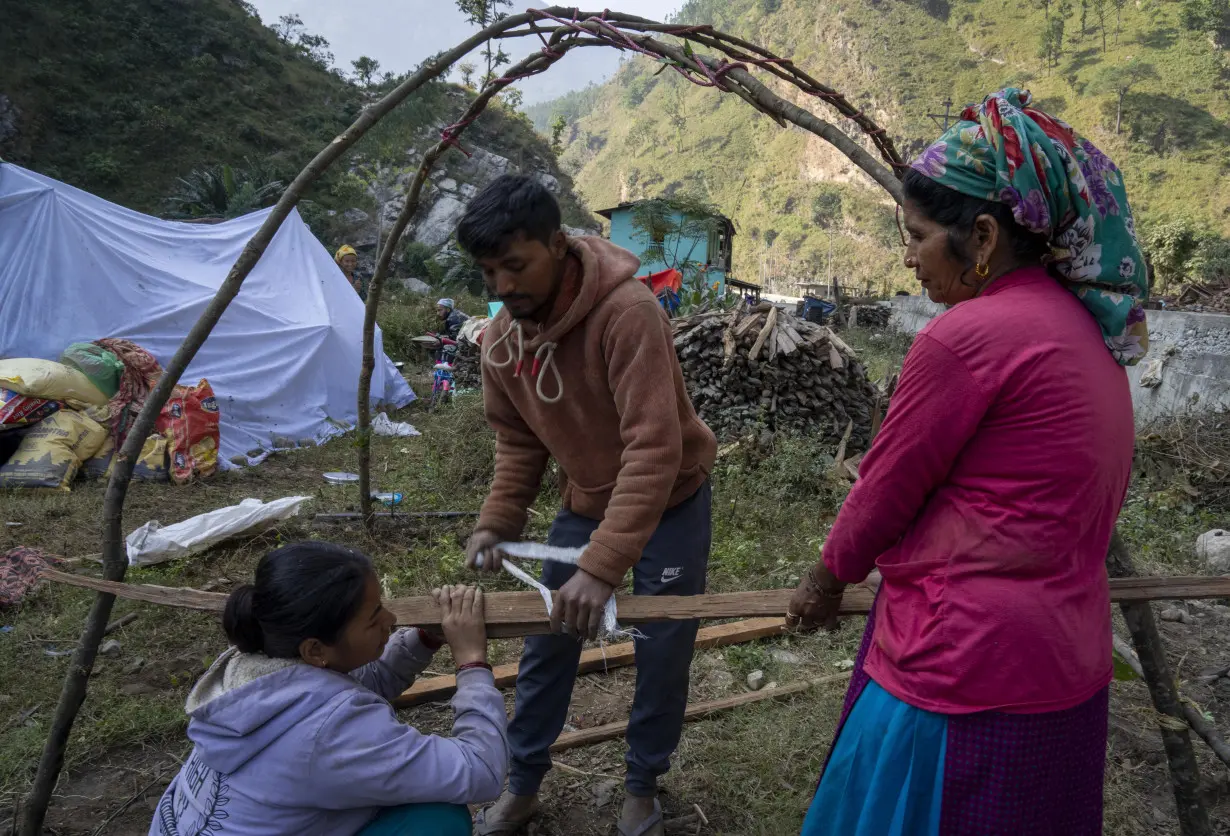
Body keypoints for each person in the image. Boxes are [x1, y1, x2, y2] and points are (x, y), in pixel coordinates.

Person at [790, 88, 1147, 835]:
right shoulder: (1088, 336)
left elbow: (884, 493)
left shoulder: (965, 339)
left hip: (962, 663)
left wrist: (822, 584)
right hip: (1065, 658)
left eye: (917, 235)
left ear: (981, 237)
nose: (909, 257)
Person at [456, 174, 717, 836]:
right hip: (588, 498)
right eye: (489, 272)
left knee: (662, 645)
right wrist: (497, 522)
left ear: (557, 244)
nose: (502, 286)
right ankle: (522, 786)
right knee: (549, 642)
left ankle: (641, 786)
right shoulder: (501, 342)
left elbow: (653, 451)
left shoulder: (627, 314)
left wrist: (603, 565)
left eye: (515, 266)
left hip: (673, 499)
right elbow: (517, 442)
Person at [149, 541, 507, 836]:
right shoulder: (330, 733)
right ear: (315, 650)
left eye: (382, 606)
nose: (392, 620)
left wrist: (425, 639)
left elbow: (357, 683)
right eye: (374, 618)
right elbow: (481, 771)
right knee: (436, 822)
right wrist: (471, 662)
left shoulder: (257, 671)